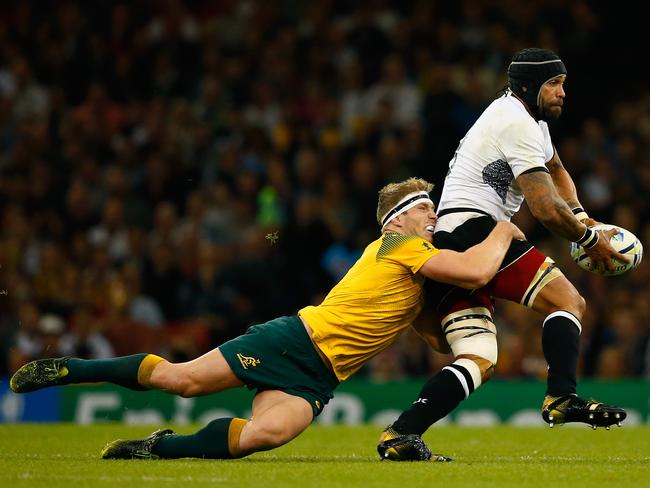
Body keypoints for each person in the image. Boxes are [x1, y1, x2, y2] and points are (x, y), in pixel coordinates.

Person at [10, 177, 524, 462]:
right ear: (396, 220)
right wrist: (502, 229)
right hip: (295, 341)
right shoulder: (399, 244)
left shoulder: (414, 270)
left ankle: (159, 447)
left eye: (434, 208)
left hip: (321, 376)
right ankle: (69, 369)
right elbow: (478, 266)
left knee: (265, 436)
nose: (433, 215)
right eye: (424, 208)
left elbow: (431, 337)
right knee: (182, 379)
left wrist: (453, 323)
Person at [377, 48, 629, 461]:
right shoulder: (516, 122)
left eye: (563, 83)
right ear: (527, 86)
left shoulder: (526, 120)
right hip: (476, 230)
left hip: (452, 238)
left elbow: (559, 172)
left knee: (478, 358)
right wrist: (588, 240)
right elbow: (545, 207)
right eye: (553, 84)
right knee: (568, 301)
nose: (562, 92)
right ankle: (562, 397)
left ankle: (400, 434)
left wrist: (585, 217)